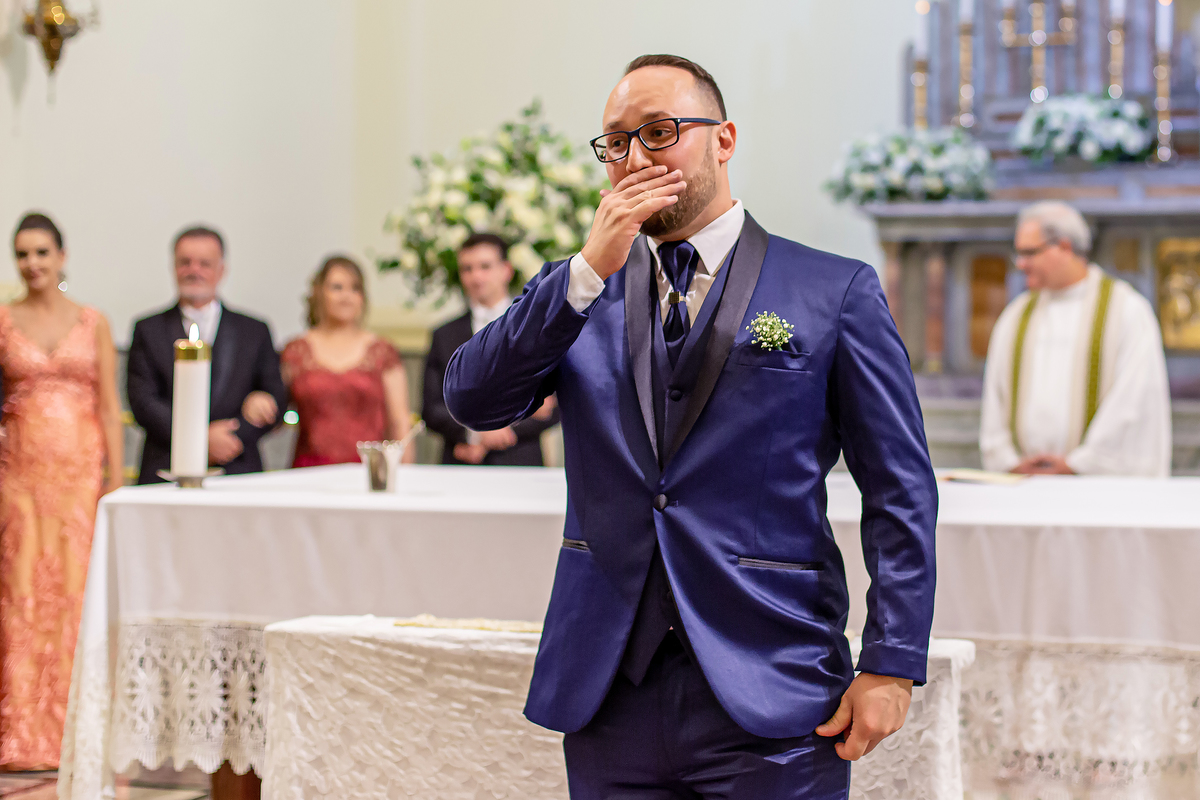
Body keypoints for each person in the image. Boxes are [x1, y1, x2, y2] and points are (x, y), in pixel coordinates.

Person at [444, 55, 937, 798]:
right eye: (617, 142)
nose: (637, 157)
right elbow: (474, 402)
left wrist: (891, 661)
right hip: (610, 690)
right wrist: (584, 273)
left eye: (661, 132)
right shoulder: (575, 290)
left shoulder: (832, 291)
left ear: (724, 139)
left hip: (774, 683)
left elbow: (899, 489)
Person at [0, 213, 124, 770]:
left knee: (77, 596)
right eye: (23, 254)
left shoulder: (92, 320)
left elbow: (108, 408)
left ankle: (82, 728)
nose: (33, 264)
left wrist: (115, 478)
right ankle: (23, 732)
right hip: (20, 480)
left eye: (42, 253)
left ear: (62, 255)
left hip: (79, 480)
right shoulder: (3, 320)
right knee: (22, 598)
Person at [980, 201, 1172, 477]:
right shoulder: (1016, 315)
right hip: (1025, 483)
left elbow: (1134, 400)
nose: (1020, 263)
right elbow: (994, 399)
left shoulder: (1127, 310)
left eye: (1029, 253)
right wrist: (1009, 460)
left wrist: (1078, 465)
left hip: (1097, 489)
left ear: (1065, 247)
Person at [126, 226, 287, 483]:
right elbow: (143, 402)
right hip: (165, 468)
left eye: (204, 263)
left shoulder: (254, 331)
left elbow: (276, 397)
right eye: (185, 263)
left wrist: (232, 437)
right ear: (173, 267)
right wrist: (199, 439)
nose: (194, 270)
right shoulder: (147, 330)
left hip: (237, 468)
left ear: (221, 270)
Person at [423, 233, 560, 466]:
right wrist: (476, 434)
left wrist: (504, 431)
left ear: (506, 270)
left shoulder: (536, 325)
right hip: (461, 464)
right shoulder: (443, 334)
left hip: (521, 462)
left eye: (485, 267)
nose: (476, 277)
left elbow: (554, 405)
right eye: (467, 269)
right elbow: (432, 409)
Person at [280, 255, 414, 467]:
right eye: (337, 287)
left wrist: (404, 474)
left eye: (355, 288)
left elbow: (399, 423)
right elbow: (276, 413)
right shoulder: (295, 352)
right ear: (319, 293)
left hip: (368, 472)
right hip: (309, 472)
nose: (346, 296)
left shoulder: (382, 352)